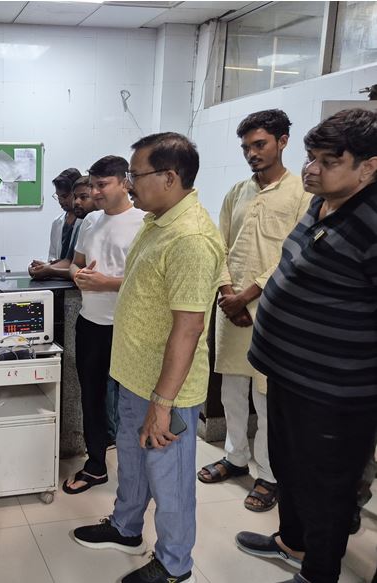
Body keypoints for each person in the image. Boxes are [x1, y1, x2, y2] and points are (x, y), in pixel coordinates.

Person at [73, 133, 224, 583]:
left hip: (166, 388)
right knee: (133, 461)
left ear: (169, 177)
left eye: (135, 175)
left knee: (169, 478)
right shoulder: (157, 222)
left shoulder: (190, 237)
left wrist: (162, 403)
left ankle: (175, 565)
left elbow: (188, 328)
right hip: (134, 374)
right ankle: (125, 527)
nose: (129, 184)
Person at [236, 108, 377, 583]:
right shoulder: (321, 202)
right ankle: (291, 542)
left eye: (328, 161)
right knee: (289, 466)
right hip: (289, 372)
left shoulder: (372, 221)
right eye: (310, 157)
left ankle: (318, 572)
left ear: (369, 166)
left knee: (326, 485)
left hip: (335, 390)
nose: (311, 169)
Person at [197, 109, 311, 513]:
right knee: (231, 391)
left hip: (272, 310)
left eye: (259, 144)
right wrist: (228, 293)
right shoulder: (237, 192)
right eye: (246, 147)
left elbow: (295, 254)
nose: (251, 153)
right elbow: (220, 246)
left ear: (283, 142)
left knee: (265, 399)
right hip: (231, 307)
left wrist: (247, 295)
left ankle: (268, 474)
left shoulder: (302, 193)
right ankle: (235, 456)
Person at [62, 158, 144, 495]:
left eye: (102, 185)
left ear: (124, 182)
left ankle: (136, 471)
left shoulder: (144, 222)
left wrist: (106, 283)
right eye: (92, 185)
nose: (95, 192)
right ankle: (96, 464)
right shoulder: (91, 221)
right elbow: (76, 263)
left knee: (131, 404)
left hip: (128, 326)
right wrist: (78, 275)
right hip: (90, 323)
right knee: (91, 398)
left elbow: (148, 282)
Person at [29, 175, 96, 280]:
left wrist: (50, 270)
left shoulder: (96, 223)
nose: (77, 202)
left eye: (83, 197)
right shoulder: (84, 224)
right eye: (75, 197)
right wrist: (47, 267)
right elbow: (71, 262)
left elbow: (85, 270)